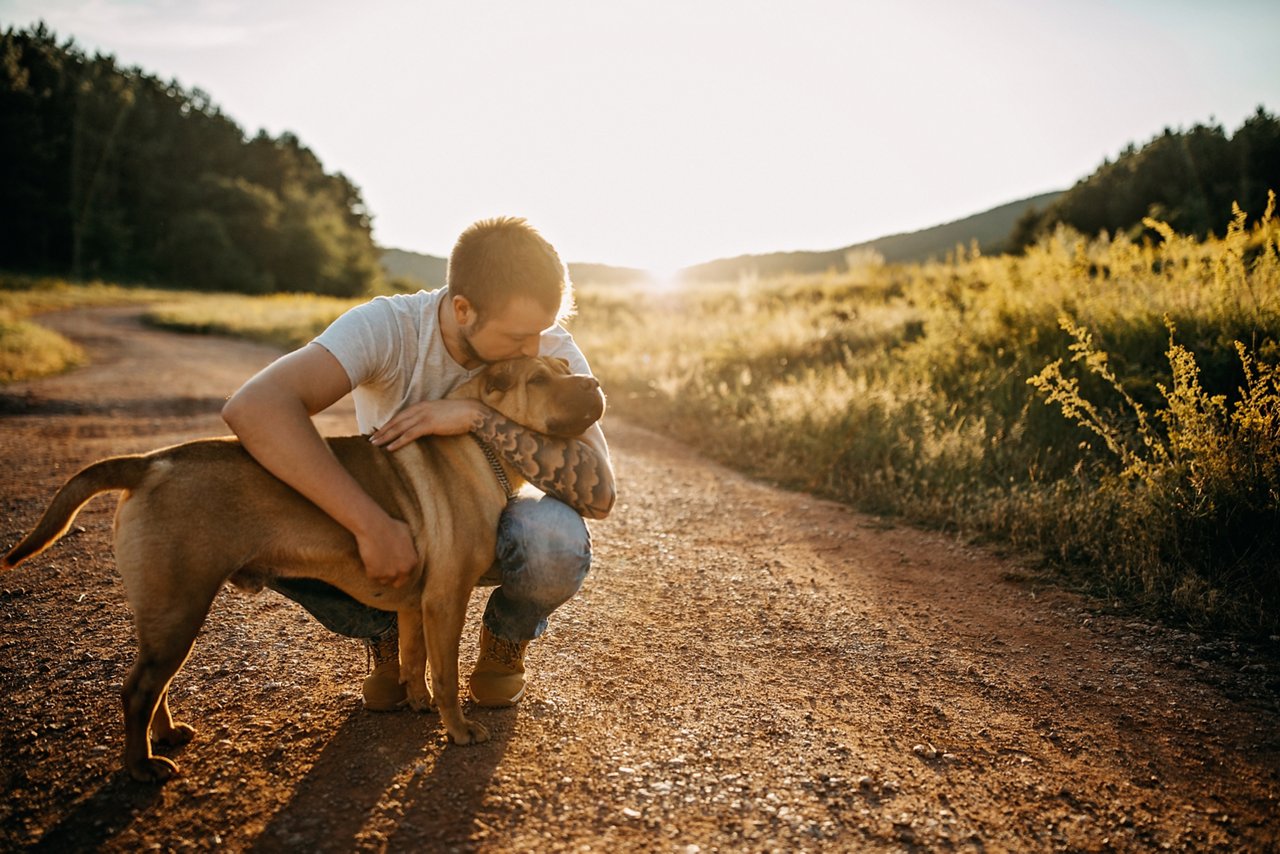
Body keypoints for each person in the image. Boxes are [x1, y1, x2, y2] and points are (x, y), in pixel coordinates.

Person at [221, 216, 616, 710]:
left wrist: (475, 416)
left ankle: (504, 642)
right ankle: (384, 632)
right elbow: (254, 408)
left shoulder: (545, 349)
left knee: (555, 539)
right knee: (277, 504)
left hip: (493, 528)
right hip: (389, 540)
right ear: (463, 308)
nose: (533, 348)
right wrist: (369, 526)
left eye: (543, 331)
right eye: (518, 337)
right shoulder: (389, 328)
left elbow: (600, 494)